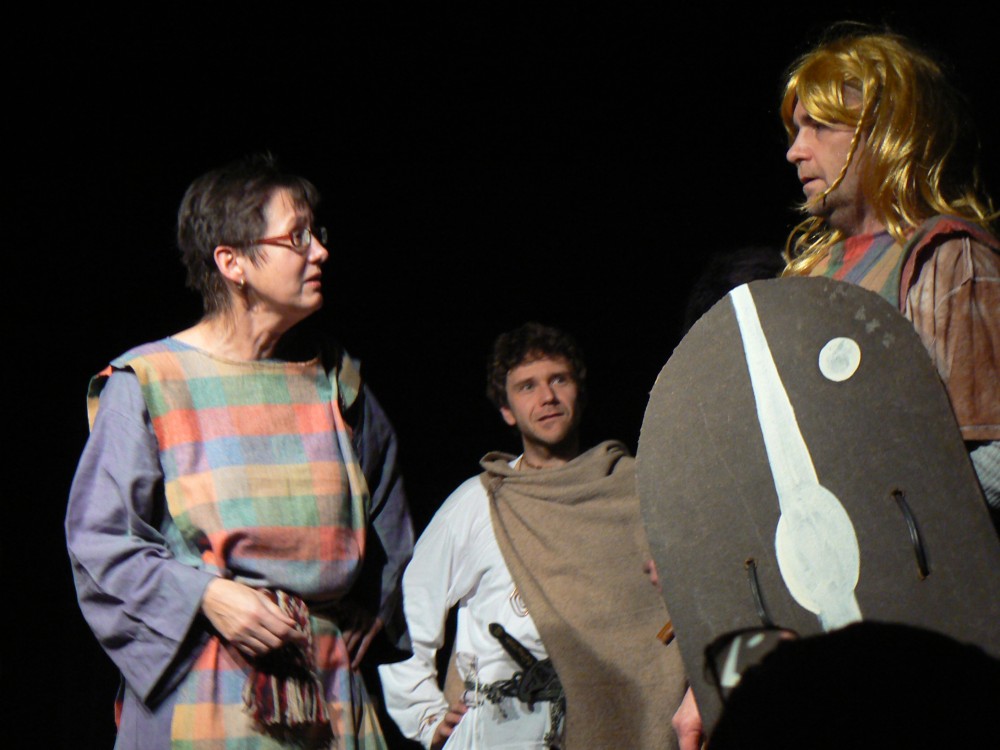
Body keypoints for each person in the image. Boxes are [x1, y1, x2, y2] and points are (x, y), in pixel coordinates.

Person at [673, 29, 1000, 750]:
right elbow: (764, 485)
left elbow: (985, 467)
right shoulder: (806, 282)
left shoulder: (945, 258)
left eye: (819, 126)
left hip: (921, 635)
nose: (796, 151)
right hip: (813, 644)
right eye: (795, 130)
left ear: (886, 129)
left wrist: (875, 534)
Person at [66, 154, 413, 750]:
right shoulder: (149, 382)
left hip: (327, 689)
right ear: (232, 262)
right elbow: (101, 543)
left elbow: (390, 524)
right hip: (208, 687)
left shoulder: (336, 382)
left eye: (317, 233)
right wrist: (206, 595)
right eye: (296, 237)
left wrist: (373, 609)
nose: (319, 252)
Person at [379, 323, 685, 749]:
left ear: (579, 390)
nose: (547, 397)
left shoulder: (629, 490)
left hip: (626, 722)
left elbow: (681, 603)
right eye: (527, 386)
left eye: (558, 380)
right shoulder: (482, 501)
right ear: (507, 410)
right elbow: (411, 602)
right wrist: (424, 716)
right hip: (504, 730)